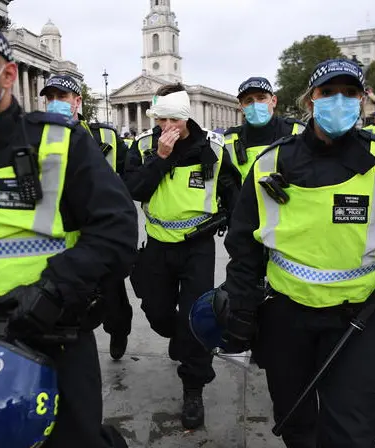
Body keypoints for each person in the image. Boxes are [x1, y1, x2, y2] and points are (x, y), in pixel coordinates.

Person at [222, 58, 375, 447]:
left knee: (354, 432)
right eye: (328, 93)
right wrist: (240, 306)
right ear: (310, 101)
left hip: (356, 320)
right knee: (295, 420)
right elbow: (244, 243)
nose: (339, 101)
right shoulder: (272, 162)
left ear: (363, 101)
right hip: (285, 317)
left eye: (350, 93)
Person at [0, 20, 136, 447]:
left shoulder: (58, 141)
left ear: (8, 75)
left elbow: (116, 230)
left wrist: (55, 291)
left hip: (55, 334)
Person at [125, 83, 241, 430]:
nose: (165, 126)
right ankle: (182, 340)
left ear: (185, 117)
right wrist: (161, 158)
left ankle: (193, 387)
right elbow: (134, 190)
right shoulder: (145, 146)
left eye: (171, 119)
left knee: (196, 316)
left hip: (198, 247)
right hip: (158, 244)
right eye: (159, 119)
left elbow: (234, 197)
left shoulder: (214, 149)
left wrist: (238, 240)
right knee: (157, 312)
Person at [40, 74, 134, 360]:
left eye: (63, 97)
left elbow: (128, 176)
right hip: (60, 240)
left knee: (113, 301)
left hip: (98, 238)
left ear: (77, 101)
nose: (56, 103)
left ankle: (119, 330)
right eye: (50, 98)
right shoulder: (37, 138)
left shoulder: (104, 136)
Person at [224, 77, 304, 181]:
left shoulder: (297, 131)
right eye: (249, 101)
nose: (255, 105)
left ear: (274, 101)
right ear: (241, 108)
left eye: (261, 98)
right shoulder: (229, 139)